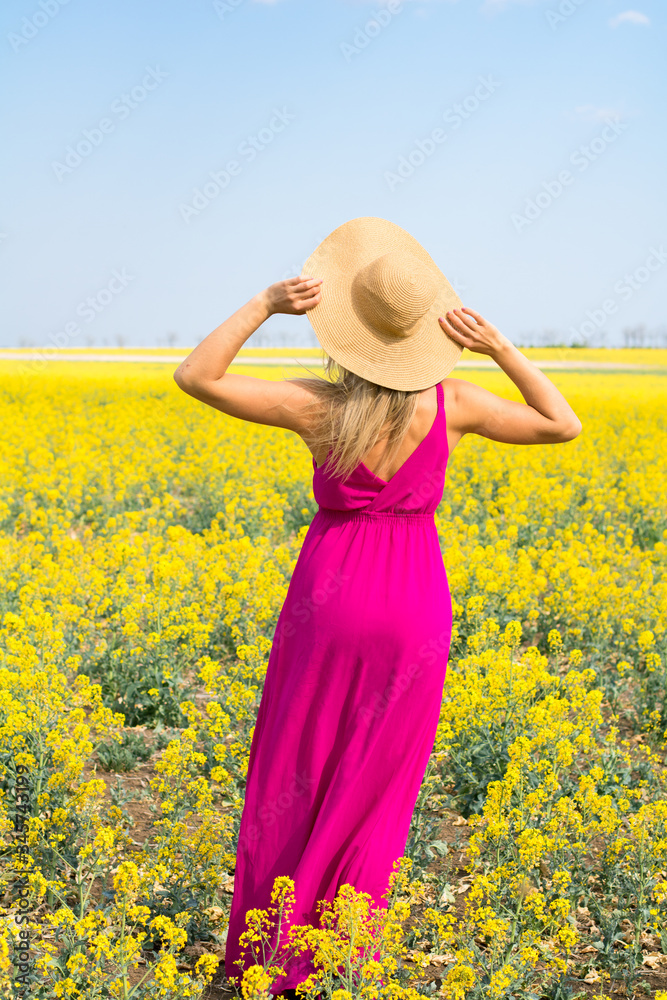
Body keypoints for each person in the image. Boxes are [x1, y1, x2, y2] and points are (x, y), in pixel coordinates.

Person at [173, 218, 582, 998]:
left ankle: (274, 939)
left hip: (330, 599)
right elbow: (562, 424)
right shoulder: (453, 403)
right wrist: (499, 347)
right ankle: (339, 947)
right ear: (424, 333)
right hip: (412, 606)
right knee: (376, 779)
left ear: (346, 331)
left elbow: (197, 376)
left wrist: (265, 304)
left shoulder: (318, 406)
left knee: (299, 761)